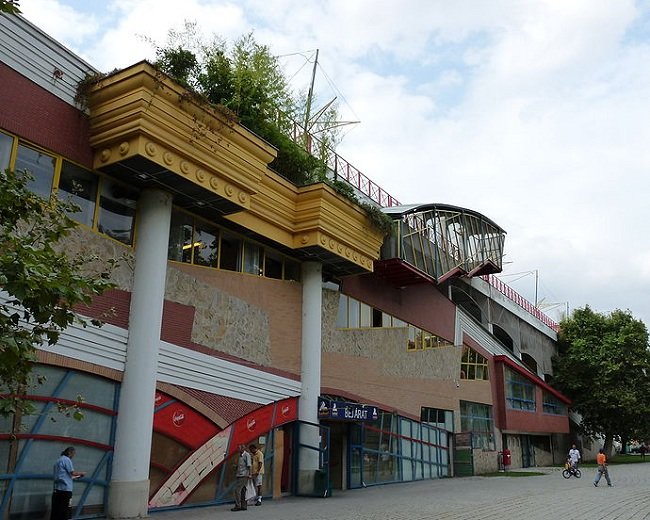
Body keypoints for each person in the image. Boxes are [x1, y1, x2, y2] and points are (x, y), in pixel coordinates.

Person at [51, 446, 85, 520]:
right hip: (66, 490)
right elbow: (72, 473)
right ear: (69, 452)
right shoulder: (67, 459)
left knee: (56, 510)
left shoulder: (58, 461)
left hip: (57, 489)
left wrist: (78, 477)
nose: (73, 456)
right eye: (73, 454)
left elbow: (65, 476)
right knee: (67, 510)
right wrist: (82, 473)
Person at [231, 444, 251, 511]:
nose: (238, 450)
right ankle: (243, 505)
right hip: (239, 474)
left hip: (244, 475)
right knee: (243, 490)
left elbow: (249, 465)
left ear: (243, 448)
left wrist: (250, 474)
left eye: (239, 448)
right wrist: (236, 466)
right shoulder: (240, 455)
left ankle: (238, 505)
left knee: (237, 490)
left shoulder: (246, 455)